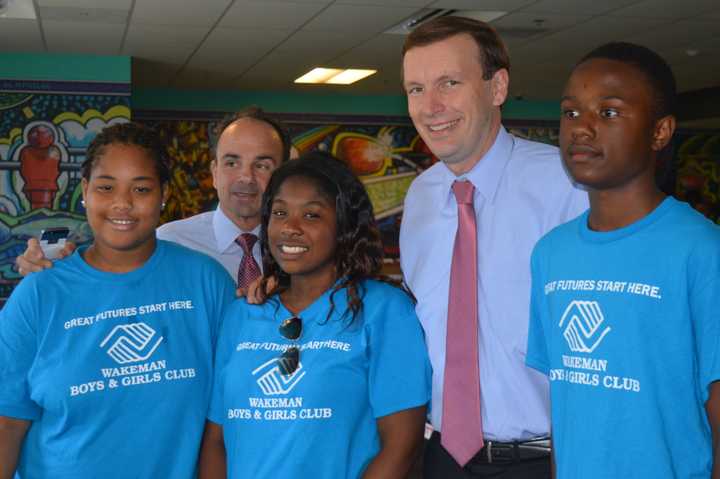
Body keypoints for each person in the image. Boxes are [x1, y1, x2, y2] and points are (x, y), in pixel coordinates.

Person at [399, 16, 588, 478]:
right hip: (442, 457)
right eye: (416, 89)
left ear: (497, 87)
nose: (431, 106)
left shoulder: (568, 187)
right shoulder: (420, 198)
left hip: (547, 460)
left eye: (449, 82)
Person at [525, 42, 720, 478]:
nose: (581, 128)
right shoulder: (551, 254)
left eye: (608, 112)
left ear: (660, 132)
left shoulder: (702, 251)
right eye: (571, 112)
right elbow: (569, 405)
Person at [0, 122, 236, 478]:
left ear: (164, 194)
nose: (122, 204)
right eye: (106, 187)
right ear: (85, 191)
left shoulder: (205, 281)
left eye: (140, 188)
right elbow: (6, 425)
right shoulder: (39, 293)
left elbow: (225, 417)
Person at [198, 152, 432, 478]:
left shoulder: (385, 311)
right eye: (279, 213)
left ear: (344, 226)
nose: (290, 228)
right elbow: (215, 441)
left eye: (311, 215)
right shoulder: (242, 314)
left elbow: (400, 448)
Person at [15, 106, 291, 288]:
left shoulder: (304, 249)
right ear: (214, 172)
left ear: (283, 174)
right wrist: (45, 267)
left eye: (263, 165)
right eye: (232, 163)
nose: (246, 177)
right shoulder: (165, 242)